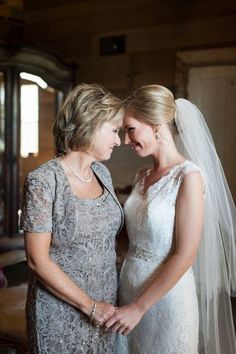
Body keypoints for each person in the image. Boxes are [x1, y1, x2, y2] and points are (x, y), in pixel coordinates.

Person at [105, 84, 236, 354]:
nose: (126, 141)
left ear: (155, 124)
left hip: (165, 300)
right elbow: (130, 237)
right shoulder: (141, 175)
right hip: (127, 287)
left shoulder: (189, 176)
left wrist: (138, 308)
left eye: (130, 129)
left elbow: (185, 255)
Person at [20, 83, 124, 354]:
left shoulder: (103, 173)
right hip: (59, 311)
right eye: (114, 131)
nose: (119, 141)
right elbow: (36, 260)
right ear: (90, 122)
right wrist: (89, 306)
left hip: (105, 310)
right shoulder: (43, 181)